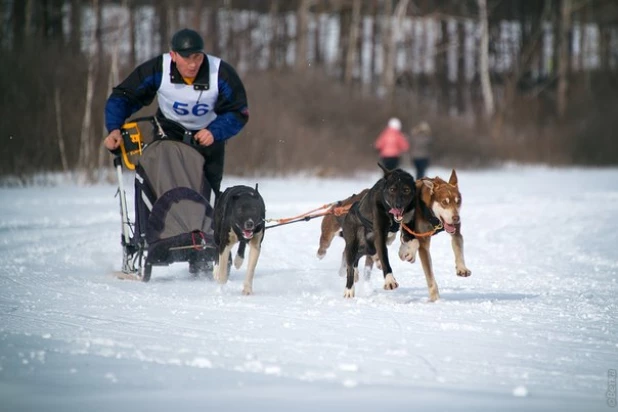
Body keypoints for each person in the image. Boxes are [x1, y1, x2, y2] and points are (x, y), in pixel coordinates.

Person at [103, 28, 249, 201]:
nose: (193, 64)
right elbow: (123, 97)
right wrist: (114, 129)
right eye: (186, 58)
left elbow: (239, 111)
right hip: (168, 131)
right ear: (173, 56)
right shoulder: (158, 69)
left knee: (207, 196)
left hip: (208, 135)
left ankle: (207, 227)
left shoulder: (220, 72)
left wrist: (214, 132)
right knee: (167, 190)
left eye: (197, 57)